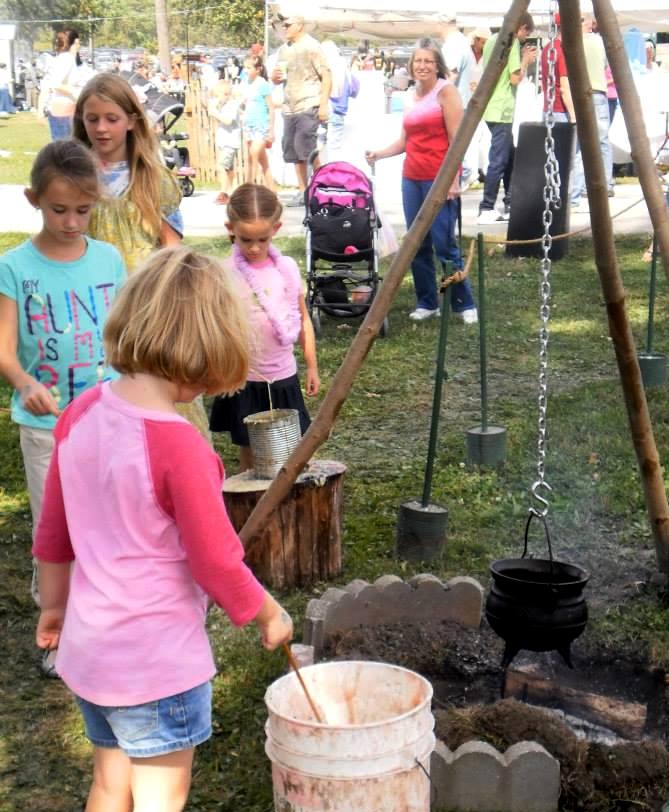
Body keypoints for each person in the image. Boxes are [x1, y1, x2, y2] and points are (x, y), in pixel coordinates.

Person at [32, 245, 293, 811]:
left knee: (109, 784)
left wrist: (54, 607)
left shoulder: (80, 412)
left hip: (90, 651)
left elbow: (54, 531)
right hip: (155, 668)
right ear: (208, 348)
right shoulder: (181, 447)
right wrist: (269, 613)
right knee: (158, 798)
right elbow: (217, 561)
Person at [0, 140, 126, 675]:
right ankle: (59, 627)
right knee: (57, 525)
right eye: (58, 210)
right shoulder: (14, 267)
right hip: (46, 426)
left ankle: (104, 618)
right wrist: (22, 379)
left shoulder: (109, 259)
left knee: (108, 517)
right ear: (33, 200)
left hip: (106, 417)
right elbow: (4, 349)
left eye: (83, 209)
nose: (71, 221)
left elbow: (123, 337)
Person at [365, 39, 477, 324]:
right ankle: (428, 302)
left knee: (444, 243)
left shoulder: (446, 92)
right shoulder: (410, 96)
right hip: (411, 178)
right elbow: (405, 141)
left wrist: (453, 181)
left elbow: (457, 141)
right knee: (416, 243)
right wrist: (379, 153)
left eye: (428, 61)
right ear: (411, 66)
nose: (423, 66)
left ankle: (463, 303)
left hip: (438, 179)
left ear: (437, 65)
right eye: (418, 61)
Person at [209, 184, 320, 471]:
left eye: (263, 239)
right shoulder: (224, 273)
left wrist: (312, 366)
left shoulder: (286, 269)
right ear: (230, 228)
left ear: (276, 229)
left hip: (283, 376)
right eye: (246, 240)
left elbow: (302, 317)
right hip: (244, 379)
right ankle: (253, 508)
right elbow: (217, 327)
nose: (255, 248)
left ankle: (288, 504)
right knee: (250, 452)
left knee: (291, 448)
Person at [477, 12, 537, 225]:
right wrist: (525, 60)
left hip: (491, 105)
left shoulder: (492, 40)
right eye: (526, 33)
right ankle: (486, 206)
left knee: (509, 155)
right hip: (502, 107)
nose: (524, 38)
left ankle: (511, 201)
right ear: (521, 27)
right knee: (499, 159)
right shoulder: (511, 42)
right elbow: (514, 78)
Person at [270, 15, 331, 206]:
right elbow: (277, 78)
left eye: (288, 25)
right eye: (283, 25)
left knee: (309, 151)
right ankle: (303, 191)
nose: (284, 28)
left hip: (308, 103)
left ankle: (320, 189)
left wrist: (323, 105)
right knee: (295, 153)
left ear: (300, 26)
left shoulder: (312, 46)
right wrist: (275, 77)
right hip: (289, 107)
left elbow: (327, 75)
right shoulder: (283, 50)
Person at [570, 14, 614, 206]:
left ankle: (577, 190)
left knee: (580, 144)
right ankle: (606, 183)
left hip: (579, 93)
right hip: (599, 91)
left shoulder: (573, 43)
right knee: (602, 140)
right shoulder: (600, 43)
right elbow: (605, 65)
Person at [40, 28, 82, 140]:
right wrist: (76, 93)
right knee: (64, 150)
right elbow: (55, 84)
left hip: (64, 109)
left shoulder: (62, 58)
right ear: (72, 43)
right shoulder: (67, 59)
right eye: (78, 42)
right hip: (63, 111)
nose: (79, 45)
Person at [241, 55, 276, 189]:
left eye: (249, 67)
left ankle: (249, 186)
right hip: (249, 125)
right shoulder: (247, 83)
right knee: (263, 161)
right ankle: (273, 190)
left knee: (253, 154)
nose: (246, 70)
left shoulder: (263, 84)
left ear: (258, 69)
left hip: (261, 125)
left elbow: (271, 108)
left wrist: (271, 129)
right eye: (245, 67)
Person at [321, 40, 359, 159]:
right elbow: (354, 90)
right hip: (338, 113)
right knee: (335, 150)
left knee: (317, 148)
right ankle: (332, 174)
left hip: (322, 110)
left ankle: (317, 175)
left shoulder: (324, 67)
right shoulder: (344, 66)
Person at [209, 80, 242, 204]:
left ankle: (224, 192)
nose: (217, 99)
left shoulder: (232, 105)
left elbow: (228, 121)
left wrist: (215, 113)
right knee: (229, 169)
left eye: (219, 96)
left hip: (230, 141)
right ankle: (232, 191)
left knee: (222, 166)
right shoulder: (223, 106)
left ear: (227, 94)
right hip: (224, 141)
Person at [540, 13, 574, 124]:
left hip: (547, 110)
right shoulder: (562, 51)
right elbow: (564, 88)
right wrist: (574, 116)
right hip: (561, 112)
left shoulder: (546, 48)